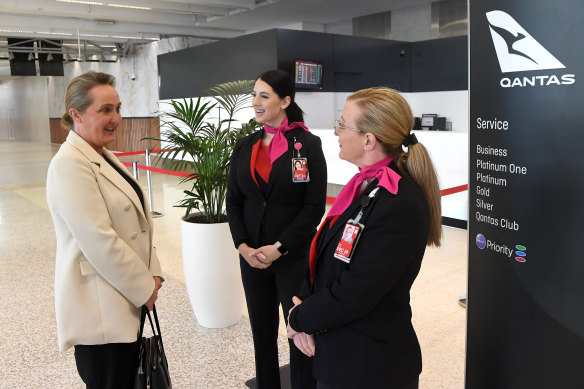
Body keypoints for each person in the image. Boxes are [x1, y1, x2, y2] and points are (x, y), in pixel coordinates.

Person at [287, 87, 442, 389]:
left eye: (342, 124)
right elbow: (326, 257)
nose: (336, 131)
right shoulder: (367, 186)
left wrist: (299, 318)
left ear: (369, 140)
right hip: (340, 355)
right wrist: (304, 309)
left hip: (371, 367)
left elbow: (356, 293)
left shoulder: (399, 203)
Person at [46, 71, 164, 389]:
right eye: (105, 110)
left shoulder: (102, 155)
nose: (116, 118)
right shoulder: (69, 164)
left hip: (122, 299)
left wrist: (154, 273)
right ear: (76, 114)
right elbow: (99, 240)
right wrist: (145, 288)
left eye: (118, 108)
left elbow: (137, 226)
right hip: (100, 310)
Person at [226, 69, 327, 389]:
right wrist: (244, 247)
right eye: (254, 94)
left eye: (264, 96)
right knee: (262, 332)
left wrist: (279, 247)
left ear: (285, 101)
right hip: (252, 256)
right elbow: (234, 202)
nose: (255, 102)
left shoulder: (308, 145)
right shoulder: (245, 146)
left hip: (293, 257)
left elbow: (314, 207)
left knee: (298, 332)